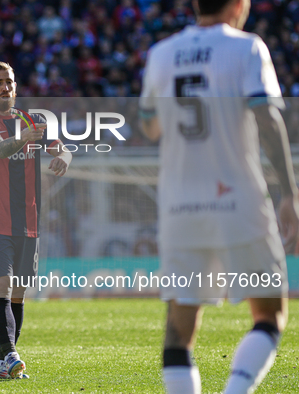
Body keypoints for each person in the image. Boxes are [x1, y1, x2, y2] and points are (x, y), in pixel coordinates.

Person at [139, 0, 299, 393]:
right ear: (240, 5)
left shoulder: (161, 54)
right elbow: (267, 117)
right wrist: (289, 194)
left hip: (179, 207)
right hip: (236, 200)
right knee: (269, 315)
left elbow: (150, 127)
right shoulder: (247, 47)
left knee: (179, 328)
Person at [0, 61, 72, 379]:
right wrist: (26, 137)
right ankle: (12, 354)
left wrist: (63, 157)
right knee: (0, 287)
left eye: (10, 81)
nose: (6, 88)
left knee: (18, 293)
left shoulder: (34, 119)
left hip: (29, 221)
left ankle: (2, 362)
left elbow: (63, 148)